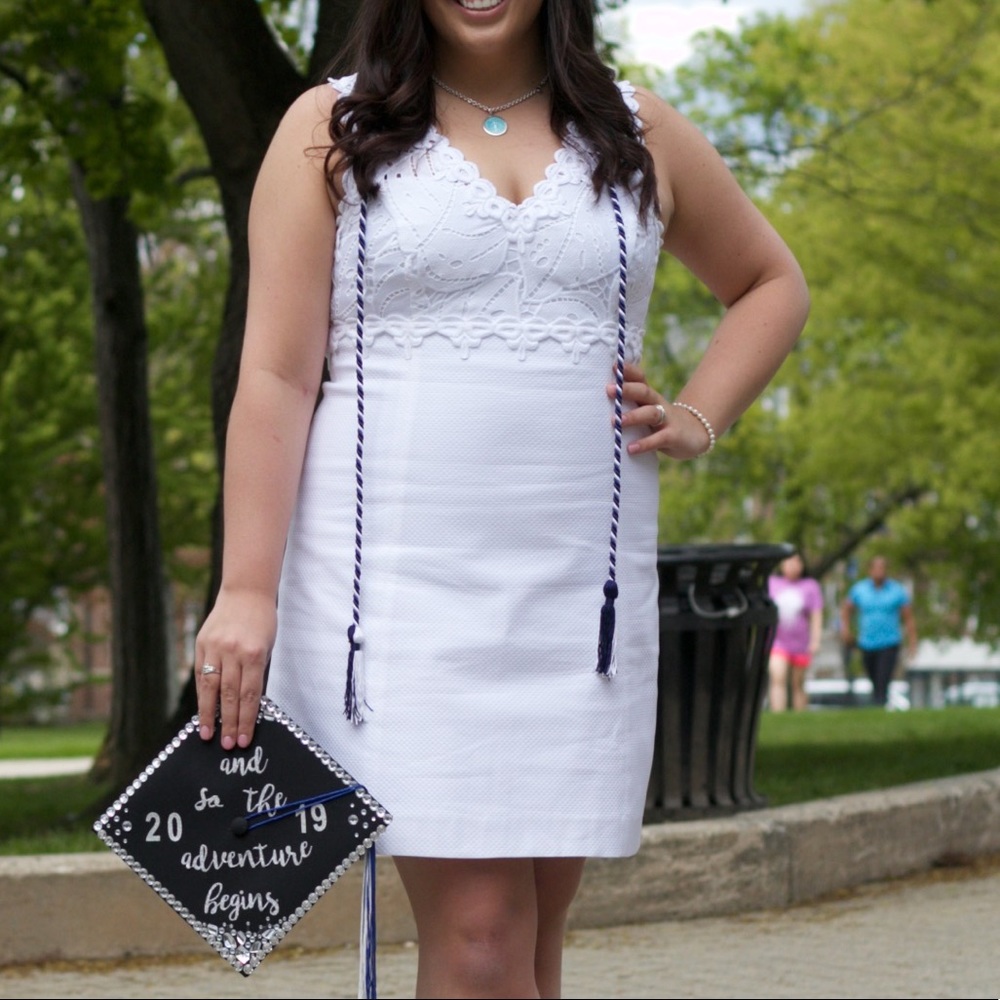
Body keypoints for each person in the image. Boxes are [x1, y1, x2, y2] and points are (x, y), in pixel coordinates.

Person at [194, 1, 809, 996]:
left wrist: (698, 414)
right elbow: (273, 375)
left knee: (528, 942)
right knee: (481, 934)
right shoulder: (327, 129)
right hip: (389, 601)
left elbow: (771, 281)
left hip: (578, 600)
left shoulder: (638, 131)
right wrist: (246, 589)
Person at [841, 556, 918, 707]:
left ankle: (880, 704)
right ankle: (878, 703)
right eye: (876, 568)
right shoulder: (859, 590)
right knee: (874, 678)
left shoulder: (897, 590)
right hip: (867, 643)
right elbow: (846, 610)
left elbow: (908, 618)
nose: (879, 571)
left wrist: (913, 642)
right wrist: (846, 630)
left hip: (889, 642)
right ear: (870, 570)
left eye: (882, 567)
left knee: (883, 678)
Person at [768, 553, 824, 711]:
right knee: (778, 678)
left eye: (797, 561)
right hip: (777, 643)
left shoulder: (810, 586)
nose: (793, 565)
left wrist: (816, 640)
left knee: (797, 683)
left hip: (801, 644)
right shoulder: (771, 583)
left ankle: (799, 716)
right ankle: (778, 715)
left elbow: (816, 615)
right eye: (789, 561)